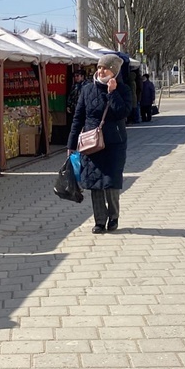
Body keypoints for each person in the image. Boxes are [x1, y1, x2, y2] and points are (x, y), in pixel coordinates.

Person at [67, 53, 132, 234]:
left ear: (114, 70)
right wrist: (71, 144)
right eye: (99, 67)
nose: (101, 70)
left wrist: (112, 93)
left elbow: (123, 112)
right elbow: (78, 118)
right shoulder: (87, 90)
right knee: (94, 183)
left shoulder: (123, 89)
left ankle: (113, 217)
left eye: (105, 67)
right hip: (91, 144)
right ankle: (99, 221)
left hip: (114, 144)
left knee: (111, 183)